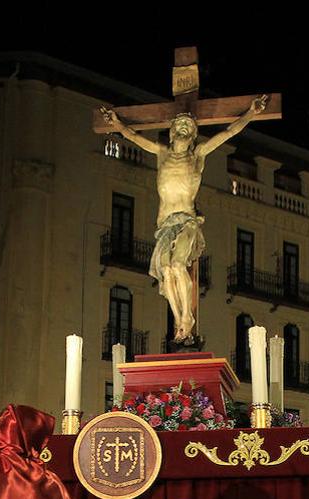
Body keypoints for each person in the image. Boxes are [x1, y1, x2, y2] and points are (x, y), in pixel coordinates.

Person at [100, 95, 268, 342]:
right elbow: (134, 138)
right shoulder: (161, 154)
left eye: (187, 127)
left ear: (193, 135)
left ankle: (187, 317)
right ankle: (179, 322)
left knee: (179, 265)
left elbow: (228, 133)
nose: (182, 129)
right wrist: (116, 124)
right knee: (166, 270)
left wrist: (251, 113)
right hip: (165, 224)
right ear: (171, 133)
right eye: (179, 126)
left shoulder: (198, 155)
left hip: (188, 220)